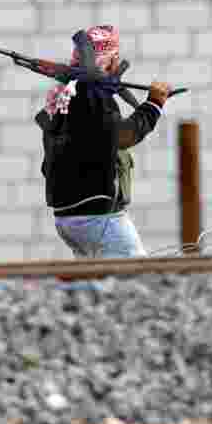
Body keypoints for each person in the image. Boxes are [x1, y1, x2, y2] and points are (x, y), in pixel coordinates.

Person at [38, 25, 170, 259]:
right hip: (99, 218)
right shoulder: (94, 97)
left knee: (99, 281)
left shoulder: (65, 95)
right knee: (139, 276)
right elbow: (123, 136)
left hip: (67, 218)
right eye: (114, 58)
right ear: (107, 60)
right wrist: (153, 105)